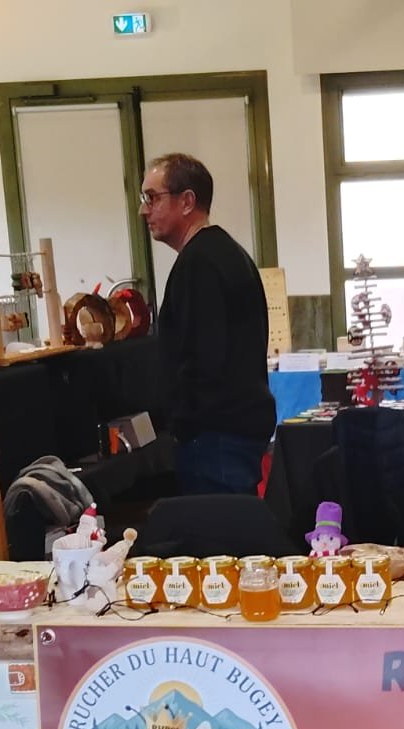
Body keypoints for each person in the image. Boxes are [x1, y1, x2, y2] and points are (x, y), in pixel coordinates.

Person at [141, 153, 275, 494]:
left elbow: (203, 361)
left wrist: (180, 426)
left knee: (220, 541)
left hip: (215, 439)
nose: (144, 210)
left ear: (187, 201)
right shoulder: (230, 253)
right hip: (233, 431)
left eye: (152, 197)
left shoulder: (199, 263)